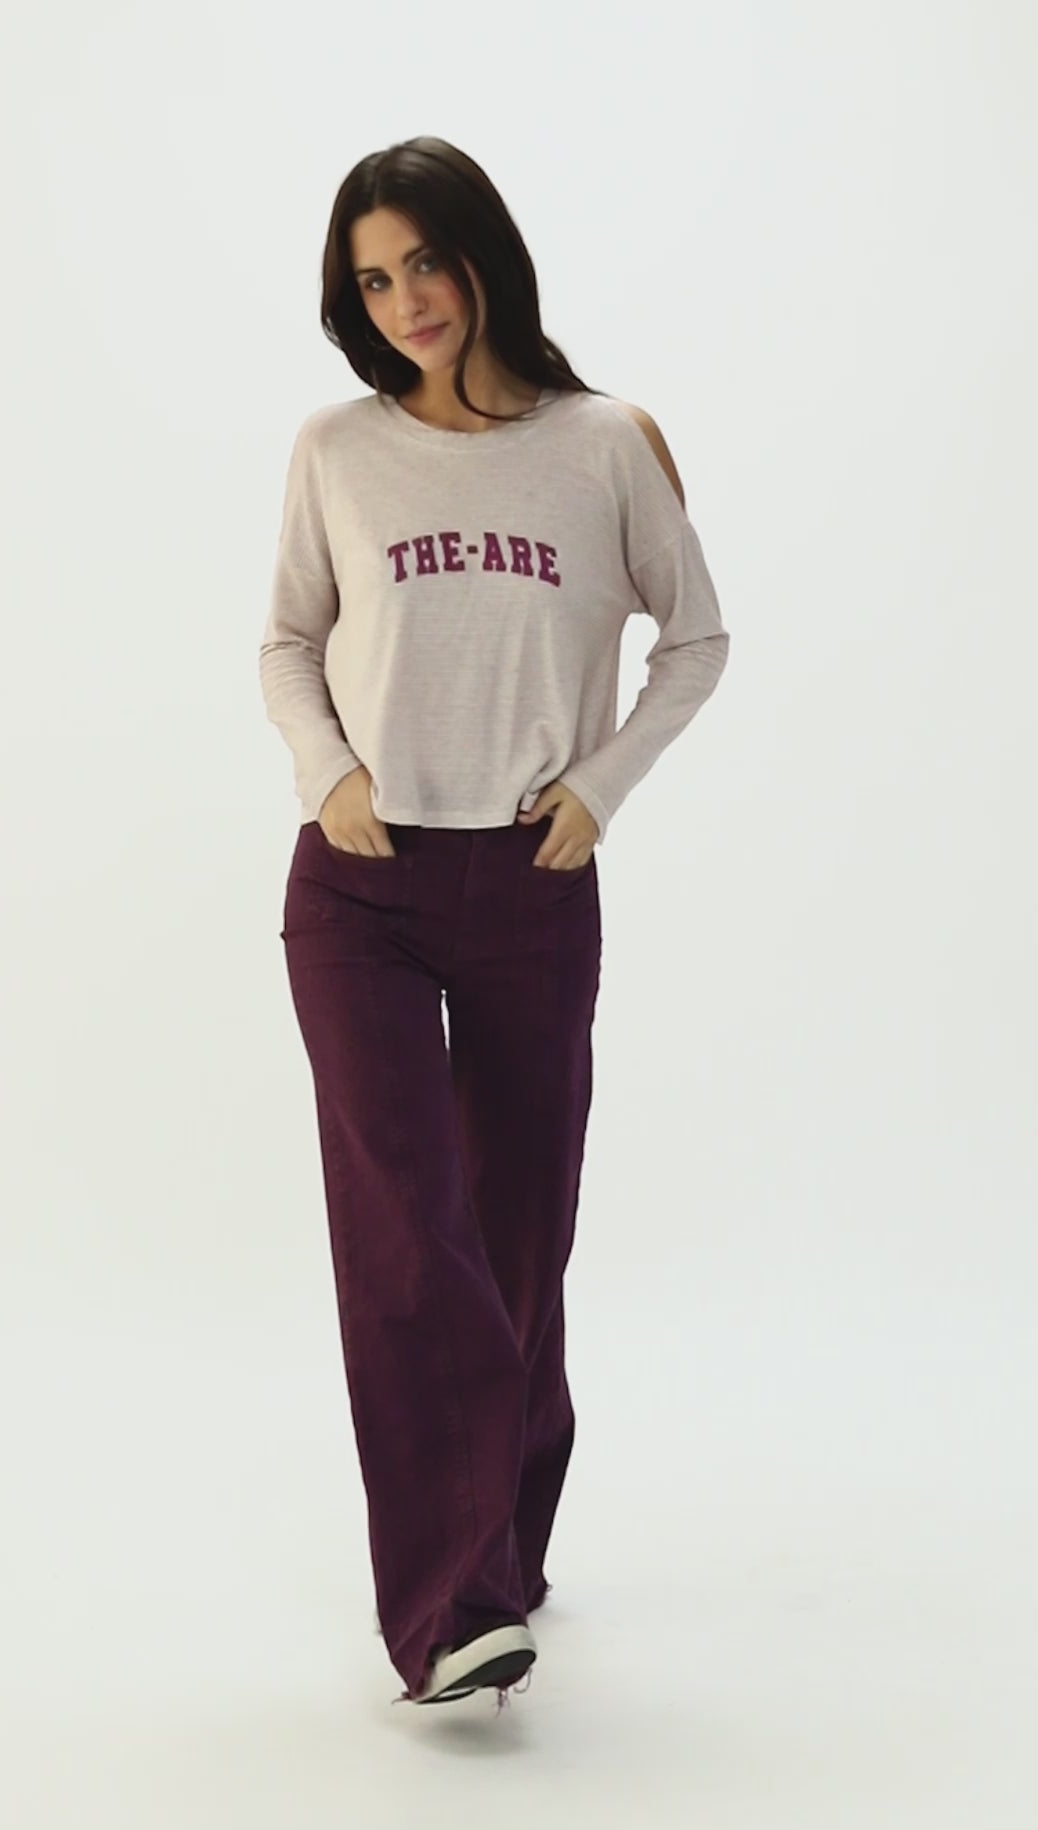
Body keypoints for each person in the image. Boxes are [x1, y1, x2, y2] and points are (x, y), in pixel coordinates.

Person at [259, 135, 730, 1708]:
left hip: (532, 880)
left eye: (425, 262)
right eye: (372, 279)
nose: (406, 300)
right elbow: (286, 639)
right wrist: (328, 772)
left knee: (521, 1232)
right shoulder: (337, 449)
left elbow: (698, 638)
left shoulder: (605, 445)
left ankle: (505, 1536)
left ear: (482, 256)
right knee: (413, 1228)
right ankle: (451, 1608)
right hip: (363, 887)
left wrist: (601, 784)